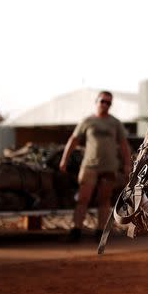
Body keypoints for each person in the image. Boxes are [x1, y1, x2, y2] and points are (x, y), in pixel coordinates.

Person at [59, 91, 132, 242]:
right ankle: (76, 230)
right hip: (90, 166)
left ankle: (101, 231)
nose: (105, 105)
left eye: (108, 103)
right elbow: (73, 140)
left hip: (109, 167)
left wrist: (127, 164)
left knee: (104, 200)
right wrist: (64, 159)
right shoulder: (87, 121)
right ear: (97, 101)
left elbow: (124, 145)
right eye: (103, 101)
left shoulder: (115, 123)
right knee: (83, 198)